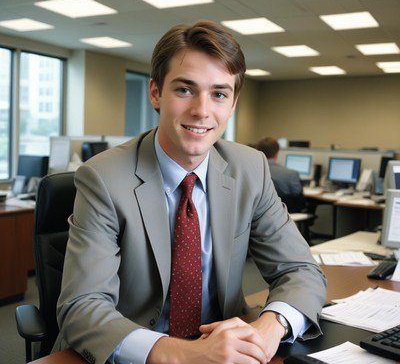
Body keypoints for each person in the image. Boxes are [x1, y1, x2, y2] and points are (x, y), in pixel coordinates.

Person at [54, 20, 326, 364]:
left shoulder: (249, 169)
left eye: (219, 94)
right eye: (184, 90)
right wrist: (187, 354)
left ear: (233, 102)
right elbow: (82, 305)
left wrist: (269, 330)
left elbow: (301, 270)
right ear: (156, 92)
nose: (202, 110)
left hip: (230, 353)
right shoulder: (103, 178)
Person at [256, 137, 305, 213]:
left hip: (259, 214)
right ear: (277, 152)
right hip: (286, 214)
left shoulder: (253, 171)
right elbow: (299, 199)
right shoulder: (291, 174)